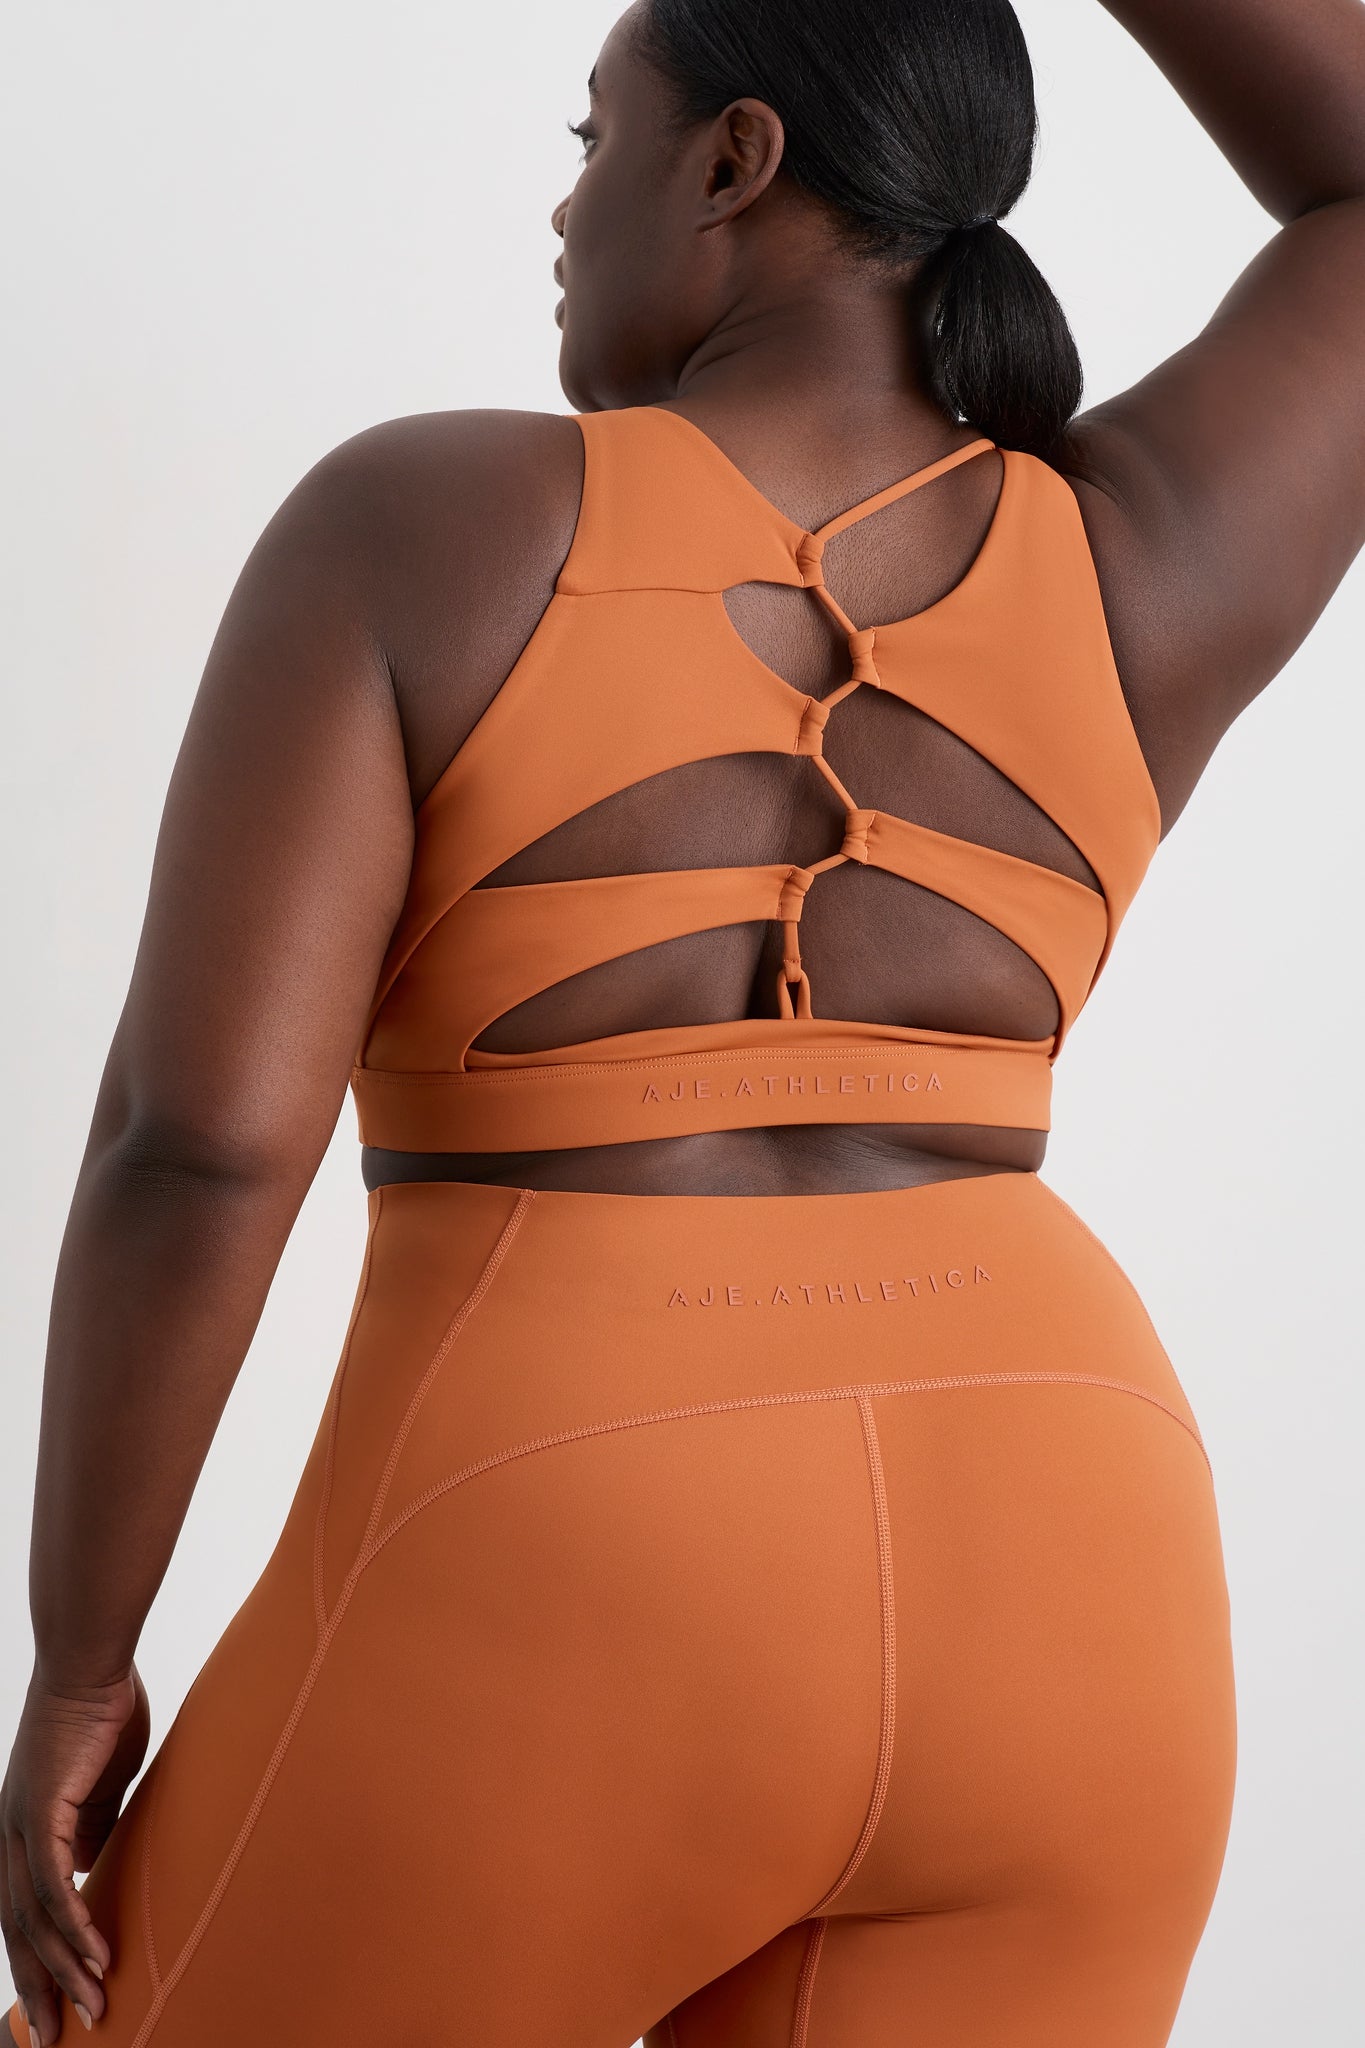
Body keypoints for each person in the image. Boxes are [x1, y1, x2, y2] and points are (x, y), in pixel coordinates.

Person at [3, 0, 1363, 2040]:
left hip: (561, 1536)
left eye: (591, 138)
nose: (564, 209)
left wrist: (79, 1659)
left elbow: (198, 1147)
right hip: (1075, 1560)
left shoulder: (423, 524)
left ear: (729, 162)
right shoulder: (1141, 560)